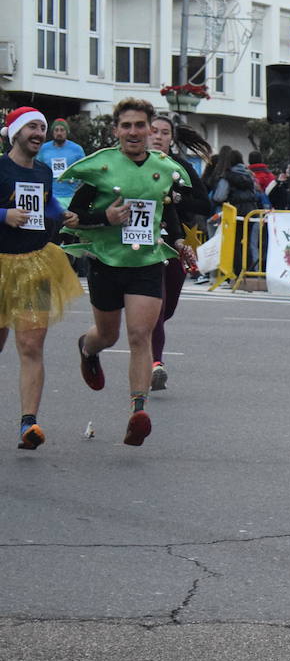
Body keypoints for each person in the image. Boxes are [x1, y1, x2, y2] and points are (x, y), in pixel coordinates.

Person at [61, 97, 196, 447]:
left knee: (140, 335)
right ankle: (88, 350)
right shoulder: (101, 168)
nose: (133, 132)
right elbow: (74, 217)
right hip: (106, 261)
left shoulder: (165, 169)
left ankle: (138, 411)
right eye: (126, 126)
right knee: (108, 336)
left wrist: (179, 241)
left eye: (140, 125)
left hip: (147, 262)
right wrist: (104, 218)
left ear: (151, 130)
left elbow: (165, 210)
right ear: (116, 130)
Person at [0, 107, 83, 449]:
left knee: (32, 346)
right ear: (14, 132)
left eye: (42, 128)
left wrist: (63, 213)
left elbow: (45, 205)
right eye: (32, 127)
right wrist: (4, 214)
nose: (38, 133)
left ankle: (28, 425)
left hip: (35, 264)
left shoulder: (44, 172)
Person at [146, 114, 213, 392]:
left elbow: (206, 205)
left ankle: (150, 332)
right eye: (154, 131)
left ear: (172, 138)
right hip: (144, 245)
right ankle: (155, 364)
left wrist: (176, 198)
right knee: (156, 306)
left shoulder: (180, 168)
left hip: (176, 242)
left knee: (167, 307)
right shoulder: (132, 165)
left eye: (164, 132)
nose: (159, 136)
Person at [209, 149, 264, 270]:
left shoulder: (227, 176)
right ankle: (250, 270)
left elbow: (219, 196)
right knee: (249, 243)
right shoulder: (249, 175)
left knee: (234, 242)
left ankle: (237, 271)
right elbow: (256, 192)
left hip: (234, 212)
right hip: (252, 212)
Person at [36, 118, 85, 209]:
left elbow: (84, 172)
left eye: (62, 130)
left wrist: (77, 188)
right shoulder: (43, 149)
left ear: (67, 132)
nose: (59, 133)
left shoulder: (77, 149)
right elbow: (37, 170)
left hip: (71, 196)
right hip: (50, 196)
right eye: (56, 130)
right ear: (52, 132)